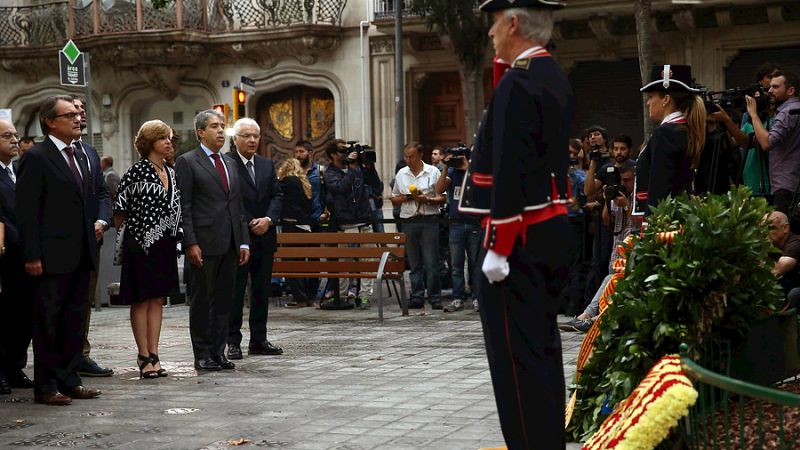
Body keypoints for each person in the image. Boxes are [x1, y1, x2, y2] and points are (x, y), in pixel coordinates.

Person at [458, 0, 574, 447]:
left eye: (492, 24)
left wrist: (498, 245)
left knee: (515, 361)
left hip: (519, 238)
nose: (490, 34)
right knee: (541, 351)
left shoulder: (518, 84)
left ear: (512, 23)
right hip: (548, 228)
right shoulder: (554, 76)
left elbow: (510, 167)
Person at [16, 95, 107, 405]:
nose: (77, 119)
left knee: (74, 320)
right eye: (69, 115)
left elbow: (90, 200)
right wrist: (32, 255)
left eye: (77, 115)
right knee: (48, 323)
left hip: (82, 253)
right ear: (50, 122)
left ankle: (71, 380)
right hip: (50, 257)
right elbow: (27, 210)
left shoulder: (82, 155)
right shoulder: (38, 157)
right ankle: (46, 386)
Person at [176, 109, 250, 372]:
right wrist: (191, 242)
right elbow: (184, 206)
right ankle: (202, 353)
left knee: (224, 301)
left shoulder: (229, 162)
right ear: (200, 132)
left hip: (230, 242)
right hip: (203, 244)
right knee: (202, 302)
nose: (221, 131)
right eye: (214, 126)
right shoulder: (188, 162)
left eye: (222, 126)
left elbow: (237, 205)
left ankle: (219, 352)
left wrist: (243, 241)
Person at [114, 120, 181, 379]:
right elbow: (119, 210)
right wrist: (136, 238)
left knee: (158, 299)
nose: (168, 142)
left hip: (165, 244)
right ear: (149, 142)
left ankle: (154, 353)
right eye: (162, 138)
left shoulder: (171, 172)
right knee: (141, 299)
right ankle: (143, 355)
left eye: (170, 138)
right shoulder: (136, 171)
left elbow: (176, 208)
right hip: (140, 245)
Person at [225, 118, 283, 360]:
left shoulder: (267, 165)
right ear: (236, 139)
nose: (252, 140)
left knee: (261, 291)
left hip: (265, 236)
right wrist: (250, 221)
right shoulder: (227, 163)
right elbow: (229, 198)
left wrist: (268, 220)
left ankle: (258, 340)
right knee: (236, 291)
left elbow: (277, 196)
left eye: (256, 136)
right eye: (247, 136)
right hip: (240, 237)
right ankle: (233, 341)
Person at [71, 96, 114, 379]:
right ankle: (60, 358)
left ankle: (81, 355)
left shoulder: (88, 151)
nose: (81, 115)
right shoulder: (44, 155)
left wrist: (102, 220)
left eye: (83, 110)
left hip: (92, 239)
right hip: (62, 242)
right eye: (75, 111)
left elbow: (102, 193)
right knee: (63, 301)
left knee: (85, 299)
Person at [634, 64, 706, 216]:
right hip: (679, 215)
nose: (648, 103)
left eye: (651, 97)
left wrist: (650, 226)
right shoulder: (683, 129)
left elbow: (659, 186)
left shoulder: (665, 133)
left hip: (664, 222)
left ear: (666, 99)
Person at [0, 119, 33, 396]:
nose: (14, 140)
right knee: (3, 316)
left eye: (15, 135)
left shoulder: (20, 171)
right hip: (6, 257)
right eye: (6, 136)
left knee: (23, 316)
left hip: (25, 258)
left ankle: (15, 366)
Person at [391, 143, 445, 310]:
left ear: (420, 155)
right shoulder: (402, 173)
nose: (408, 160)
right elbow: (393, 199)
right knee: (414, 262)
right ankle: (416, 296)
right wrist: (405, 198)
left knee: (431, 261)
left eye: (411, 156)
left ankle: (435, 297)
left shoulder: (433, 172)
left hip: (429, 219)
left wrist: (427, 199)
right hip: (409, 220)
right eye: (406, 156)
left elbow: (442, 197)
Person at [322, 140, 373, 309]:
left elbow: (373, 185)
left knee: (367, 261)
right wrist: (351, 169)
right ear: (333, 155)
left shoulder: (357, 167)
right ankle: (342, 295)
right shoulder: (330, 173)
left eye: (347, 149)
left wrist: (366, 164)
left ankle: (365, 295)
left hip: (363, 219)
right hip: (345, 224)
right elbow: (341, 188)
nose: (345, 153)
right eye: (341, 150)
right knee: (345, 261)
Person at [748, 71, 800, 231]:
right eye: (769, 87)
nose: (769, 91)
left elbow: (767, 143)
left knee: (783, 234)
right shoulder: (795, 109)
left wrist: (753, 114)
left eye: (776, 87)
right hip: (791, 183)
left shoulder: (787, 112)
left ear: (790, 91)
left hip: (786, 185)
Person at [435, 150, 481, 312]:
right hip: (456, 223)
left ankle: (477, 297)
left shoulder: (475, 170)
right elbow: (439, 189)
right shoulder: (452, 172)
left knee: (475, 263)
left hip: (474, 223)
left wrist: (467, 167)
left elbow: (479, 188)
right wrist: (446, 167)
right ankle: (457, 298)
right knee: (456, 264)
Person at [278, 158, 314, 308]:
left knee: (290, 263)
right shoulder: (304, 183)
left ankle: (299, 297)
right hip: (304, 225)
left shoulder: (288, 181)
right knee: (299, 262)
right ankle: (306, 296)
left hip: (291, 225)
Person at [767, 211, 800, 306]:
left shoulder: (796, 242)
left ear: (785, 228)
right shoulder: (772, 244)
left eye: (769, 228)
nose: (764, 232)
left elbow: (776, 271)